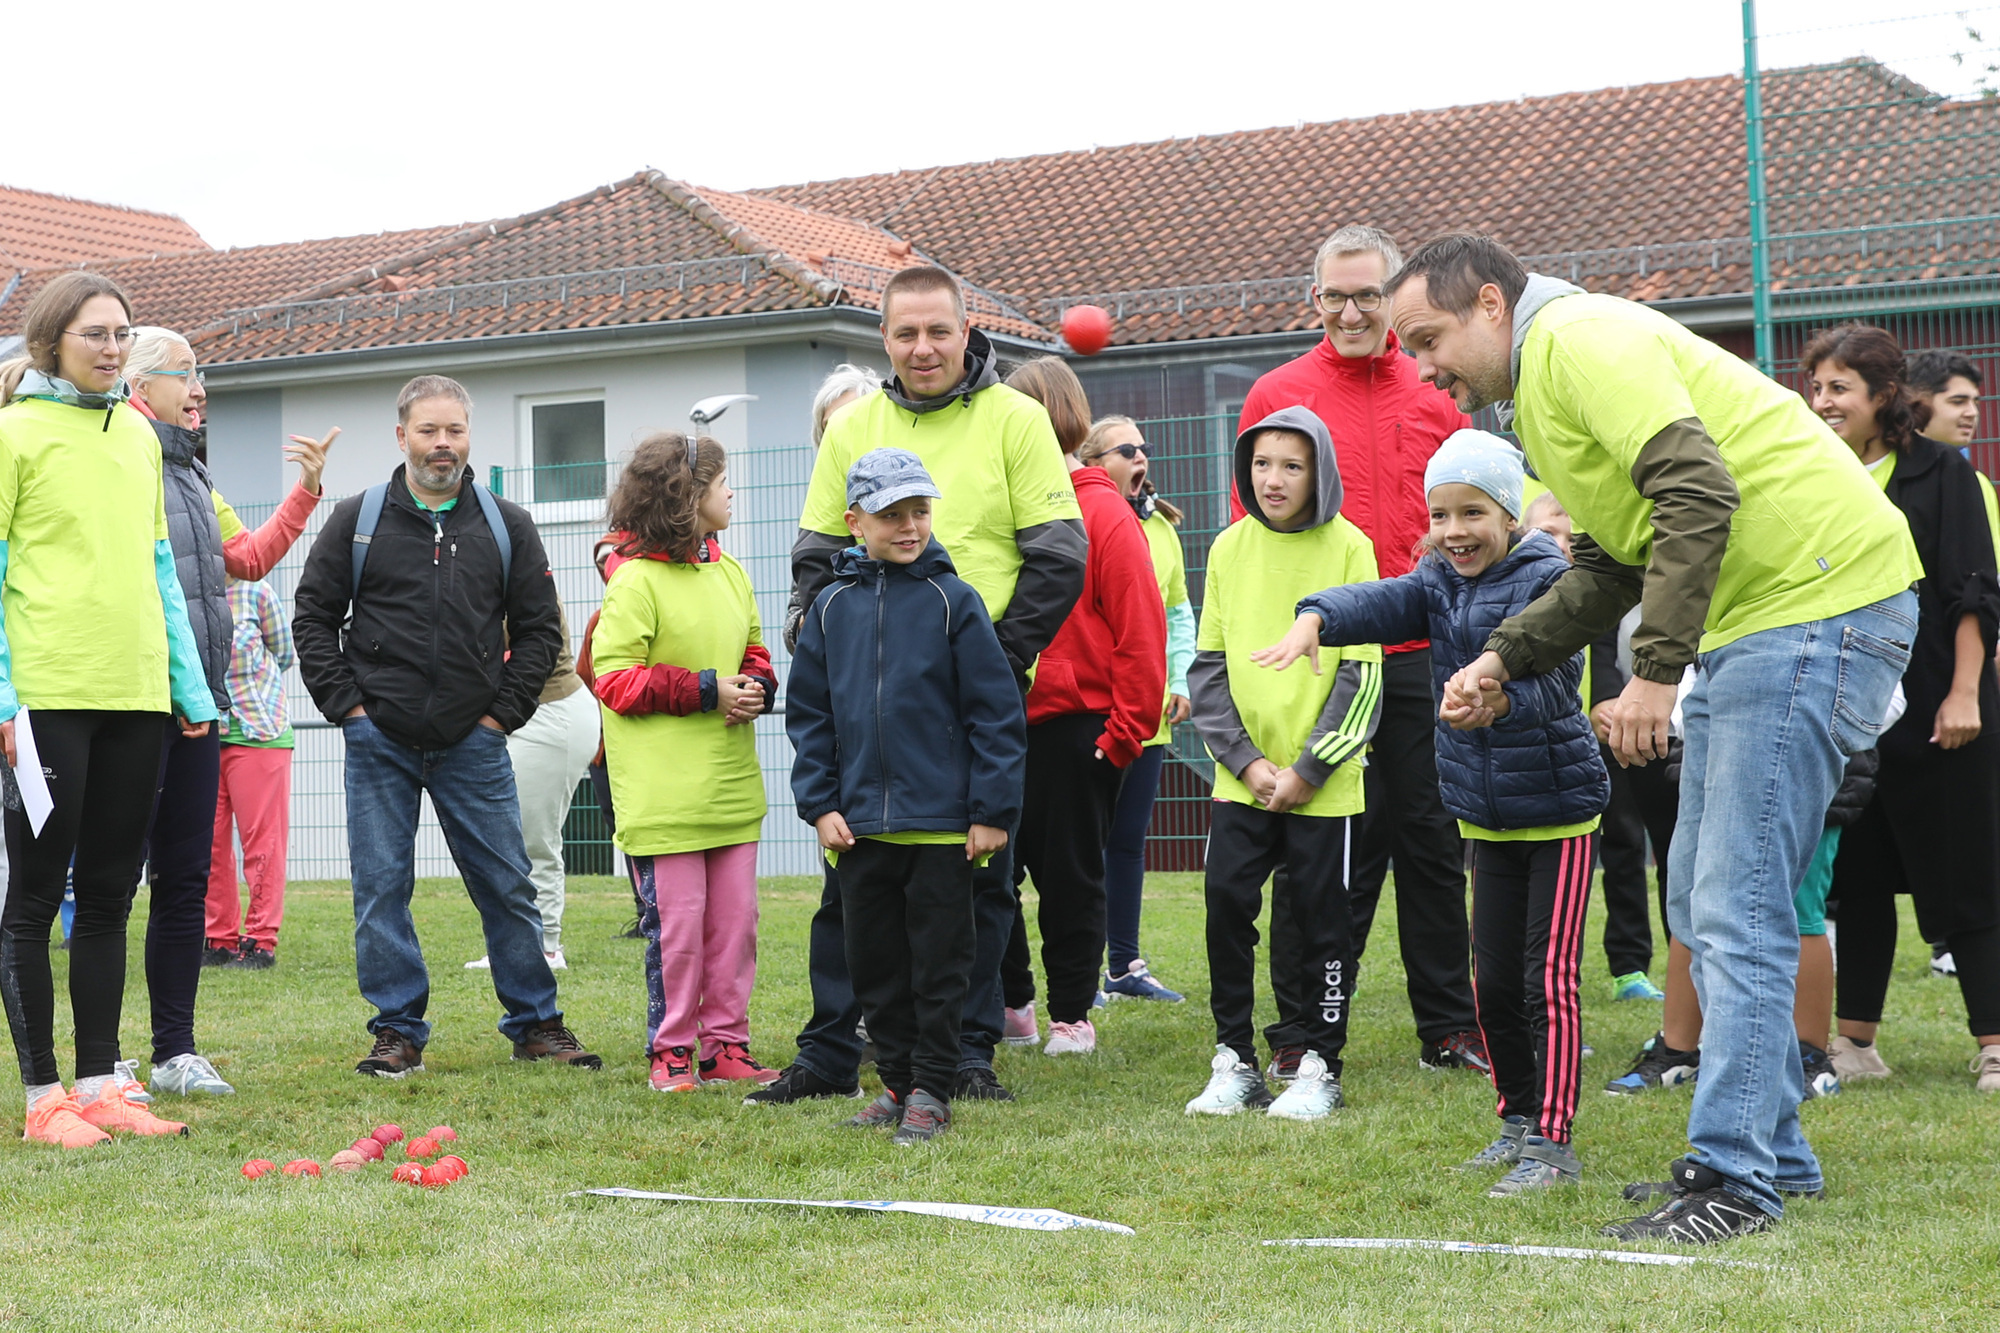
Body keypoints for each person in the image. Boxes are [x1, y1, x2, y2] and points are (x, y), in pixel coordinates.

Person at [1390, 233, 1921, 1242]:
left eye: (1427, 338)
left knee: (1736, 901)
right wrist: (1504, 656)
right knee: (1697, 897)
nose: (1422, 366)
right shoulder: (1538, 389)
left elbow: (1695, 493)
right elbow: (1609, 562)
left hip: (1816, 604)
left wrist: (1653, 675)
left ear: (1491, 304)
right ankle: (1775, 1155)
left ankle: (1734, 1179)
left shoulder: (1579, 340)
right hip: (1761, 621)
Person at [760, 266, 1085, 1106]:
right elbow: (816, 553)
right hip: (869, 701)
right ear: (885, 338)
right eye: (906, 333)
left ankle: (965, 1053)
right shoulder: (853, 424)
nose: (923, 347)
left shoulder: (1016, 417)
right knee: (852, 887)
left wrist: (993, 659)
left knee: (977, 886)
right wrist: (820, 639)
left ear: (965, 329)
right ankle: (833, 1049)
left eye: (938, 330)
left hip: (973, 699)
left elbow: (1059, 556)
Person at [1258, 429, 1607, 1192]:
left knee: (1546, 982)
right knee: (1492, 986)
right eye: (1441, 514)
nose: (1454, 531)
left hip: (1556, 810)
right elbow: (1384, 599)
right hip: (1483, 814)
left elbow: (1559, 685)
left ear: (1509, 514)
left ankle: (1553, 1143)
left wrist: (1502, 702)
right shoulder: (1438, 579)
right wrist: (1317, 616)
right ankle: (1517, 1119)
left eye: (1472, 513)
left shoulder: (1550, 578)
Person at [293, 374, 599, 1077]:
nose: (442, 444)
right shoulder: (356, 520)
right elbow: (313, 618)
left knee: (508, 885)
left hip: (474, 741)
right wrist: (350, 711)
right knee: (381, 891)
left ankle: (537, 1024)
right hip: (379, 741)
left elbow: (539, 631)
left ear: (468, 436)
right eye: (428, 430)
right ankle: (397, 1031)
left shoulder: (507, 525)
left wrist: (498, 718)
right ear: (401, 435)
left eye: (454, 430)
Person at [1237, 225, 1486, 1079]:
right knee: (1317, 850)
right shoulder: (1278, 394)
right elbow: (1252, 530)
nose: (1351, 312)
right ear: (1314, 298)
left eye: (1368, 295)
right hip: (1325, 658)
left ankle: (1450, 1027)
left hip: (1423, 652)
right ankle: (1300, 1030)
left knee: (1432, 845)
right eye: (1335, 296)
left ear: (1394, 296)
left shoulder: (1436, 387)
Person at [0, 273, 217, 1147]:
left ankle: (98, 1085)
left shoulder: (136, 434)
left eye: (122, 333)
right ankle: (41, 1098)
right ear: (52, 340)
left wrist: (189, 688)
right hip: (47, 699)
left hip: (137, 697)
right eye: (95, 333)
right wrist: (6, 700)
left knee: (107, 896)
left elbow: (160, 567)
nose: (112, 347)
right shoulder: (13, 434)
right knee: (34, 898)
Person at [787, 448, 1026, 1143]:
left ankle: (931, 1088)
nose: (910, 526)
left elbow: (996, 714)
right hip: (859, 829)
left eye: (919, 511)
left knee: (941, 969)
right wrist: (821, 805)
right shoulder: (829, 608)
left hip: (944, 831)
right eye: (891, 514)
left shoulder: (956, 601)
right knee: (876, 969)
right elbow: (810, 717)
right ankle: (895, 1084)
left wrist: (991, 812)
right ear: (854, 522)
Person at [124, 325, 333, 1100]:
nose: (200, 388)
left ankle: (174, 1052)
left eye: (201, 373)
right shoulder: (118, 459)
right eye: (186, 373)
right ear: (140, 385)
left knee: (182, 880)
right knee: (114, 885)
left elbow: (248, 558)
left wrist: (305, 490)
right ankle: (98, 1060)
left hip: (198, 707)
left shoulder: (192, 474)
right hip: (131, 703)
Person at [1805, 326, 2000, 1094]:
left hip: (1944, 707)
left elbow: (1973, 589)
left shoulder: (1943, 473)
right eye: (1816, 387)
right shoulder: (1815, 470)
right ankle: (1856, 1041)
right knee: (1859, 874)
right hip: (1854, 714)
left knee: (1970, 875)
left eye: (1839, 388)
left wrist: (1963, 692)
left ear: (1884, 395)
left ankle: (1993, 1042)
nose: (1823, 401)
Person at [1183, 406, 1380, 1122]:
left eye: (1292, 466)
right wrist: (1247, 763)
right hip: (1243, 782)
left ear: (1318, 472)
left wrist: (1306, 770)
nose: (1273, 479)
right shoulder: (1228, 547)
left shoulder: (1352, 548)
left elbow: (1364, 677)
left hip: (1323, 787)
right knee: (1227, 907)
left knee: (1324, 922)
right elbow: (1207, 670)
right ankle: (1234, 1060)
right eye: (1262, 464)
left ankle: (1321, 1065)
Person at [592, 431, 779, 1092]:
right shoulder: (635, 581)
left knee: (736, 930)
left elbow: (754, 651)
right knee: (678, 934)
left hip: (731, 793)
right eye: (721, 482)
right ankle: (670, 1051)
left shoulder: (732, 572)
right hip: (663, 801)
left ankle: (725, 1046)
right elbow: (615, 680)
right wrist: (706, 690)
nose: (732, 493)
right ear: (684, 495)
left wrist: (757, 687)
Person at [997, 358, 1165, 1056]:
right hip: (1003, 721)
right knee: (992, 872)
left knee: (1070, 878)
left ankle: (1071, 1014)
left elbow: (1141, 629)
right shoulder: (1004, 506)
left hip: (1076, 729)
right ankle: (1013, 1005)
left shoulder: (1103, 512)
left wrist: (1122, 734)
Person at [1524, 490, 1671, 1003]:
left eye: (1572, 536)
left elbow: (1610, 646)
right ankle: (1541, 974)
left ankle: (1633, 966)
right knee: (1559, 859)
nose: (1561, 545)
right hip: (1547, 744)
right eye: (1548, 533)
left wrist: (1607, 701)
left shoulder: (1609, 581)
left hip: (1616, 734)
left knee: (1630, 843)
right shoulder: (1522, 591)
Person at [1079, 415, 1194, 1003]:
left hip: (1147, 717)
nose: (1140, 457)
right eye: (1126, 449)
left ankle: (1123, 967)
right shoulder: (1080, 522)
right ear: (1093, 463)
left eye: (1143, 448)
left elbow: (1177, 614)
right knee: (1082, 846)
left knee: (1126, 843)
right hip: (1096, 712)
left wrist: (1179, 680)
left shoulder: (1161, 529)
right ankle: (1079, 977)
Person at [464, 594, 598, 972]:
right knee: (510, 836)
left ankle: (545, 946)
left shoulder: (524, 579)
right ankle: (516, 943)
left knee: (533, 836)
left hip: (551, 714)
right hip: (528, 715)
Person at [206, 572, 295, 972]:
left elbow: (284, 653)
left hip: (259, 733)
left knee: (262, 843)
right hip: (207, 735)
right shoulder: (191, 592)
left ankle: (260, 940)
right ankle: (219, 938)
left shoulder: (257, 593)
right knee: (210, 844)